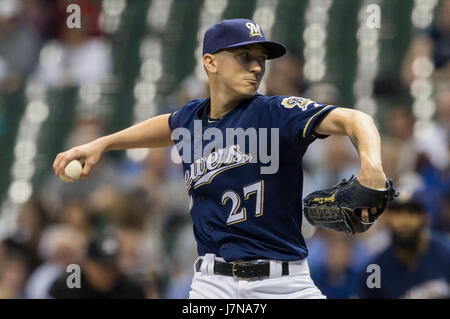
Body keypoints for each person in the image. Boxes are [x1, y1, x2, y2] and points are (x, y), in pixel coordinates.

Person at [53, 19, 389, 299]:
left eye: (261, 59)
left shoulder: (276, 112)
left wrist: (371, 165)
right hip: (213, 285)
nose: (257, 66)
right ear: (211, 62)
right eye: (245, 56)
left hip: (283, 282)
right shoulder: (191, 118)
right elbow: (167, 125)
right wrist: (102, 144)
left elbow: (356, 120)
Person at [356, 190, 450, 299]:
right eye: (398, 213)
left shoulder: (446, 254)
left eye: (412, 212)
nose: (405, 221)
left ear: (424, 217)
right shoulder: (374, 271)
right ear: (387, 218)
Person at [49, 232, 146, 299]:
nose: (107, 273)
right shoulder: (68, 286)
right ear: (86, 264)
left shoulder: (131, 290)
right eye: (102, 267)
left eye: (112, 267)